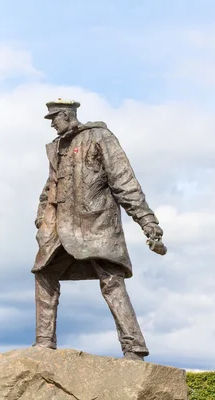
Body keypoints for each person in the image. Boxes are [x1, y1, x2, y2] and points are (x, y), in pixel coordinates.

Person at [31, 98, 164, 361]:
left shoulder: (100, 137)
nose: (53, 125)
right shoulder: (57, 146)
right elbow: (50, 186)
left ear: (67, 116)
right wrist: (41, 219)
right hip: (61, 228)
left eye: (55, 118)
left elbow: (124, 181)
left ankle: (133, 347)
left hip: (96, 224)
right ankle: (44, 342)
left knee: (111, 281)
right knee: (44, 274)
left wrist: (147, 221)